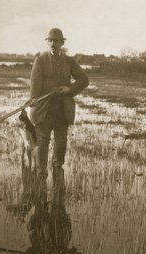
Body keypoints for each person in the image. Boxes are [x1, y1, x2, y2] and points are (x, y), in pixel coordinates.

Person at [29, 28, 89, 188]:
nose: (53, 43)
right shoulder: (40, 60)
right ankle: (41, 173)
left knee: (61, 140)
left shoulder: (70, 62)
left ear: (62, 43)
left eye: (56, 41)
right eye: (50, 40)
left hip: (63, 108)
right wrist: (34, 99)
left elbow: (84, 79)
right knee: (42, 140)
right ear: (47, 42)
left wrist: (70, 89)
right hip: (44, 108)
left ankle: (57, 168)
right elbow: (35, 83)